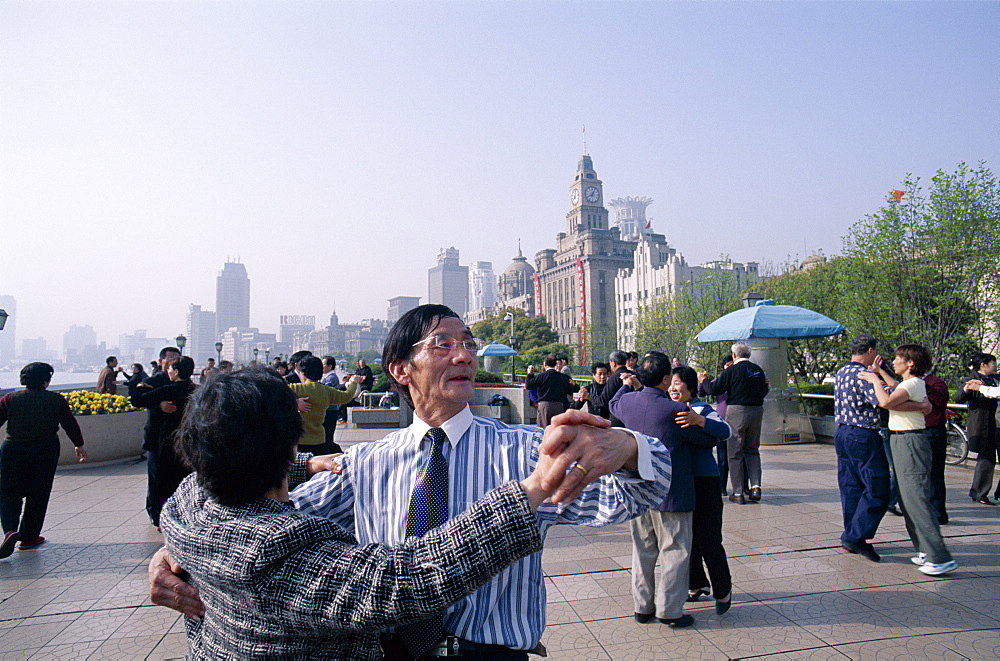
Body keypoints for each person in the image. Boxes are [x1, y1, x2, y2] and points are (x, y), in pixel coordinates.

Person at [151, 304, 671, 657]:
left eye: (468, 343)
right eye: (441, 344)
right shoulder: (363, 463)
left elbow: (642, 493)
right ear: (400, 369)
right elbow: (261, 519)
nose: (464, 353)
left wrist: (628, 448)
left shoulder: (527, 454)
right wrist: (176, 552)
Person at [156, 367, 587, 659]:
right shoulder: (280, 551)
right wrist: (534, 489)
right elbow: (412, 577)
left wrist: (303, 465)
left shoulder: (187, 504)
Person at [610, 356, 721, 628]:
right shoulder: (675, 411)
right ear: (663, 380)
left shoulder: (628, 403)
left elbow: (612, 404)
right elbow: (710, 438)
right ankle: (670, 610)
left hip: (637, 491)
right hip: (672, 492)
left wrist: (626, 385)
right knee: (675, 549)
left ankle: (642, 606)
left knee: (643, 548)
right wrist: (701, 421)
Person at [860, 344, 956, 576]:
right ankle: (924, 549)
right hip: (902, 440)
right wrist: (881, 373)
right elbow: (896, 388)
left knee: (916, 499)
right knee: (906, 498)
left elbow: (886, 401)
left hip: (911, 442)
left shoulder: (913, 383)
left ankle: (939, 556)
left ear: (910, 362)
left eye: (898, 359)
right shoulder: (911, 384)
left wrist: (874, 380)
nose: (894, 362)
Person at [1, 362, 87, 557]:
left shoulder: (9, 399)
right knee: (38, 493)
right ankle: (29, 537)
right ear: (46, 380)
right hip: (45, 449)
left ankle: (10, 531)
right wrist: (79, 444)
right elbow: (69, 423)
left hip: (13, 448)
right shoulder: (56, 400)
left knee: (8, 492)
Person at [667, 366, 733, 614]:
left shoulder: (702, 408)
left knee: (710, 539)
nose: (674, 388)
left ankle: (723, 589)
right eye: (671, 383)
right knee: (687, 537)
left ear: (691, 387)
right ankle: (696, 584)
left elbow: (725, 431)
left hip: (705, 480)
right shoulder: (669, 410)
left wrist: (700, 420)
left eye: (678, 383)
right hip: (681, 482)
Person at [832, 335, 892, 562]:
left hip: (842, 432)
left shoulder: (841, 372)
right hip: (863, 434)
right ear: (870, 351)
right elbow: (884, 399)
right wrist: (879, 376)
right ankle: (855, 536)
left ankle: (852, 533)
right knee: (877, 487)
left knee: (851, 486)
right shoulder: (864, 375)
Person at [131, 355, 197, 527]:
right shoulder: (198, 392)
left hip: (169, 443)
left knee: (164, 481)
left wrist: (138, 386)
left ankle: (162, 518)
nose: (168, 371)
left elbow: (137, 399)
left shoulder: (168, 390)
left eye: (170, 368)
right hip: (190, 443)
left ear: (176, 371)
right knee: (187, 480)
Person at [700, 342, 768, 504]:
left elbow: (714, 389)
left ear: (734, 355)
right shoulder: (758, 370)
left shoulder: (731, 370)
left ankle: (738, 492)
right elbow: (764, 390)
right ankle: (756, 486)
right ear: (749, 355)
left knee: (735, 452)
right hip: (757, 411)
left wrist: (704, 381)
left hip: (737, 411)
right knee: (752, 449)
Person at [135, 347, 180, 525]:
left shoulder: (180, 382)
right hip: (156, 438)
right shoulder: (153, 381)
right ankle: (156, 515)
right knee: (155, 478)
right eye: (170, 358)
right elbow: (140, 400)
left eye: (177, 358)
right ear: (161, 361)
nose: (174, 361)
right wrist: (158, 405)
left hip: (176, 439)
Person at [289, 355, 361, 456]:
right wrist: (354, 383)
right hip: (320, 439)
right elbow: (347, 396)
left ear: (302, 373)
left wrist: (294, 403)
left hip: (300, 440)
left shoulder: (295, 389)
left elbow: (274, 395)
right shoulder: (326, 391)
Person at [954, 352, 999, 505]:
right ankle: (979, 493)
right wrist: (967, 389)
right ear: (983, 365)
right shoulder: (971, 380)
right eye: (993, 362)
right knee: (986, 459)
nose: (995, 365)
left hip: (997, 424)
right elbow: (958, 399)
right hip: (983, 424)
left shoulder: (996, 380)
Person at [698, 354, 734, 495]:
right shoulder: (718, 382)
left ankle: (744, 487)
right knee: (722, 457)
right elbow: (701, 392)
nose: (729, 368)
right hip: (723, 421)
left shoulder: (738, 381)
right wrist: (702, 382)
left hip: (737, 422)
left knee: (740, 456)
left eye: (732, 364)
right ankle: (721, 487)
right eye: (727, 365)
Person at [922, 368, 950, 524]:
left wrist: (923, 386)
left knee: (934, 474)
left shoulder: (935, 383)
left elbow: (940, 399)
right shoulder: (909, 382)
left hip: (933, 432)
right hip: (916, 431)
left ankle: (938, 512)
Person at [525, 354, 575, 427]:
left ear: (545, 364)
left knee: (544, 430)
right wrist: (572, 385)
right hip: (559, 405)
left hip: (545, 405)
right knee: (557, 429)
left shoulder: (541, 376)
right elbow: (570, 391)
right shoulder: (563, 377)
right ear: (555, 364)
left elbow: (529, 385)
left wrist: (530, 374)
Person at [588, 349, 635, 426]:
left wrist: (588, 396)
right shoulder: (634, 376)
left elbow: (603, 401)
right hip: (633, 418)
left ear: (613, 363)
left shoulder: (614, 378)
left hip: (618, 419)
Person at [319, 356, 343, 447]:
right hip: (328, 409)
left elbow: (325, 392)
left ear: (330, 366)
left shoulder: (331, 378)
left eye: (324, 364)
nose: (322, 366)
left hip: (330, 410)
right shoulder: (326, 377)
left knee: (328, 435)